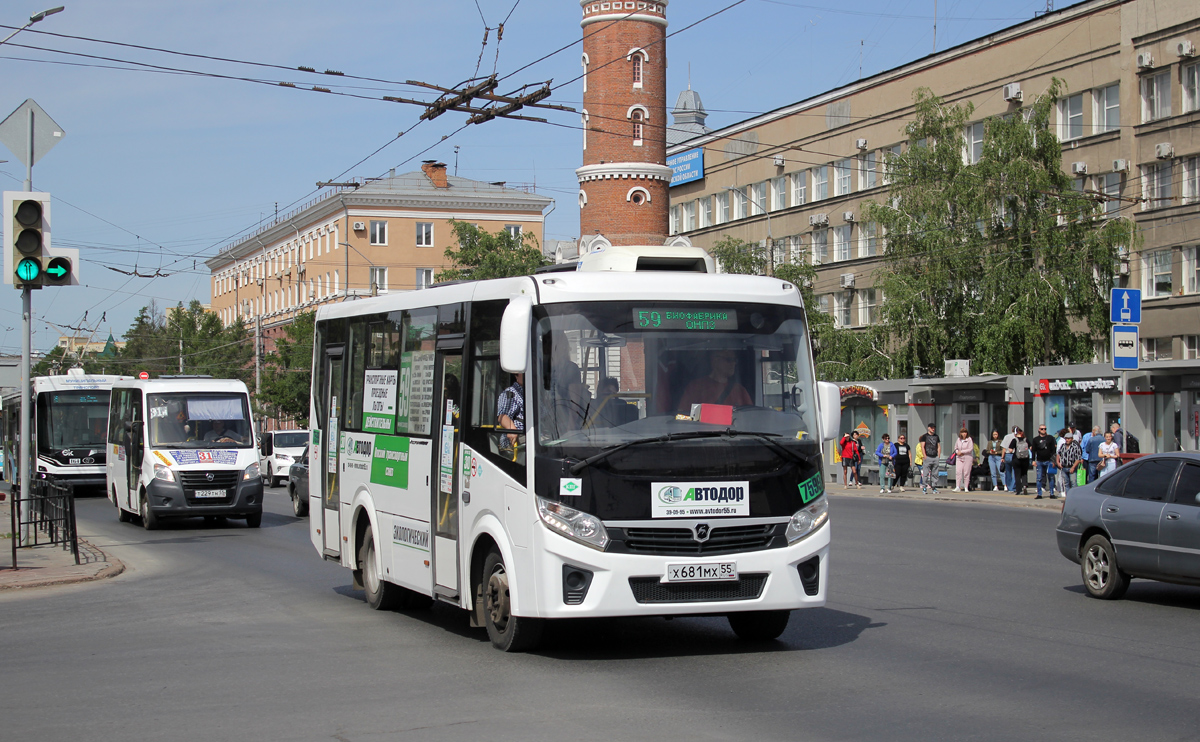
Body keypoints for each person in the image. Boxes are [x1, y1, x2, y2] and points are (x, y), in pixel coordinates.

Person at [678, 349, 752, 411]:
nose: (733, 363)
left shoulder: (740, 390)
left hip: (734, 429)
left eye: (735, 360)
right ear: (715, 361)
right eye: (729, 359)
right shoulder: (696, 387)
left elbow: (750, 418)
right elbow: (683, 416)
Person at [497, 372, 525, 449]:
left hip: (538, 434)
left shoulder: (536, 393)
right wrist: (511, 428)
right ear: (517, 374)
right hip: (518, 437)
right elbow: (502, 416)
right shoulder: (510, 393)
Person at [1030, 424, 1057, 499]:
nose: (1043, 430)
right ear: (1039, 430)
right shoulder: (1035, 439)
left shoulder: (1050, 438)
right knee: (1039, 478)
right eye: (1042, 429)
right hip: (1039, 461)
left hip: (1049, 460)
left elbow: (1053, 450)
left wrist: (1054, 461)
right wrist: (1033, 460)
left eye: (1045, 429)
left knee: (1051, 477)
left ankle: (1052, 493)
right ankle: (1039, 494)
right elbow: (1033, 451)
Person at [918, 423, 942, 495]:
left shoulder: (936, 436)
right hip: (928, 457)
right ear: (928, 428)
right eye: (931, 427)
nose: (933, 429)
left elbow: (938, 446)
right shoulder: (924, 437)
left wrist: (939, 455)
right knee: (925, 473)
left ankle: (934, 487)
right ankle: (924, 487)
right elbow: (922, 446)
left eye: (934, 427)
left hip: (935, 457)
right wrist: (924, 456)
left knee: (935, 473)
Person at [1008, 428, 1032, 496]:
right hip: (1025, 459)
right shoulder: (1026, 439)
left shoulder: (1014, 440)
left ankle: (1019, 490)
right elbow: (1031, 447)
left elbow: (1010, 450)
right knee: (1024, 473)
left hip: (1017, 459)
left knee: (1017, 475)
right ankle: (1025, 485)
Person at [952, 428, 974, 492]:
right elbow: (955, 448)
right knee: (958, 472)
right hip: (959, 457)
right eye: (962, 432)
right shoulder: (958, 439)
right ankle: (957, 486)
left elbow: (970, 449)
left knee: (966, 472)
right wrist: (957, 452)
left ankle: (966, 487)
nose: (964, 434)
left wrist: (962, 451)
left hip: (967, 457)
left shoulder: (969, 439)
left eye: (965, 432)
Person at [1001, 425, 1019, 492]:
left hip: (1008, 455)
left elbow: (1004, 448)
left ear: (1012, 430)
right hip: (1015, 455)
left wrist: (1002, 457)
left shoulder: (1007, 437)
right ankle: (1013, 487)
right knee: (1015, 472)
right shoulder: (1018, 437)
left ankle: (1008, 486)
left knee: (1008, 472)